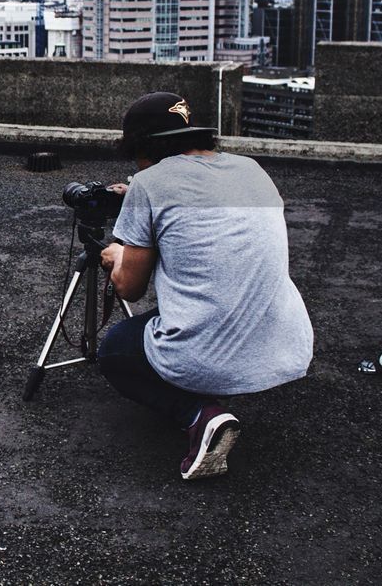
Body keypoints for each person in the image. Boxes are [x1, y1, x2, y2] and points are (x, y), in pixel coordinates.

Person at [98, 91, 313, 480]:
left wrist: (116, 256)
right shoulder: (250, 168)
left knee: (114, 350)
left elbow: (129, 288)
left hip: (210, 356)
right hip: (285, 347)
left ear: (145, 148)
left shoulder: (150, 183)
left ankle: (200, 416)